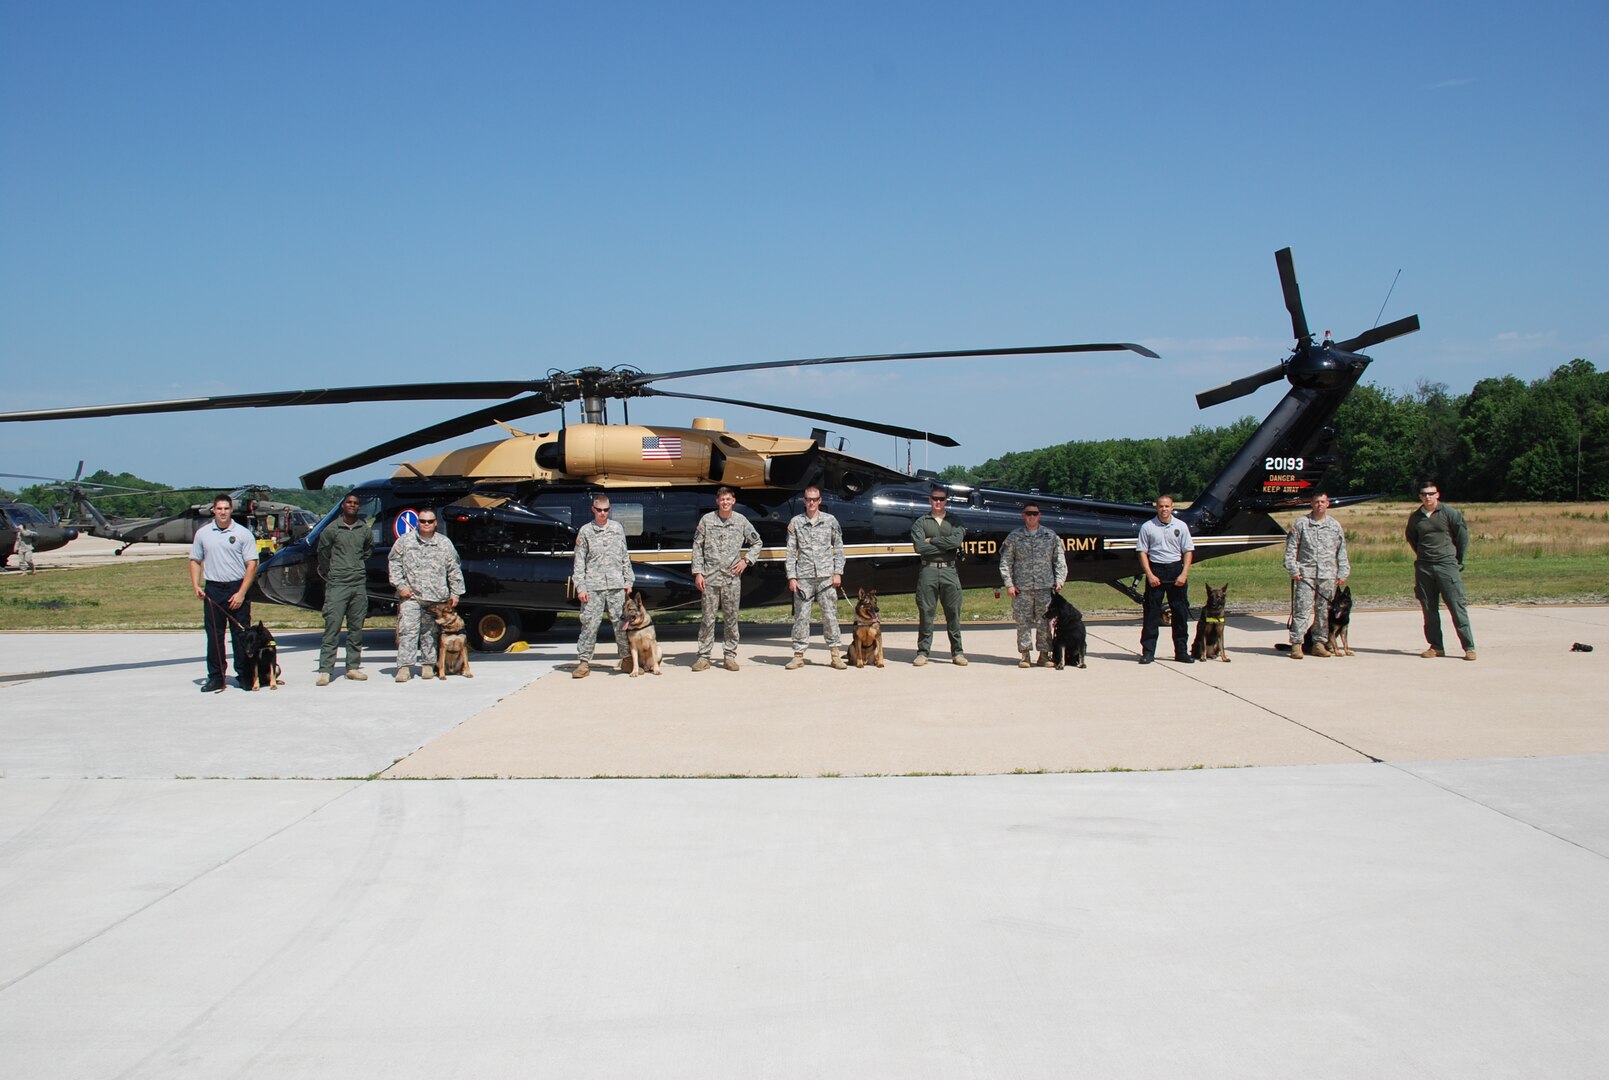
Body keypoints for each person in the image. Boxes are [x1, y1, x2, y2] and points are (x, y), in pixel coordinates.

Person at [188, 493, 259, 693]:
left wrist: (242, 593)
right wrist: (196, 585)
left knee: (241, 635)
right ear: (213, 510)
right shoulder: (203, 534)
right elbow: (195, 560)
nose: (223, 512)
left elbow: (252, 564)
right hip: (214, 589)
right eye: (219, 508)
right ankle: (217, 677)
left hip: (237, 587)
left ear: (231, 510)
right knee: (215, 636)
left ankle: (244, 674)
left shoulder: (243, 533)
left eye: (226, 508)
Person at [388, 509, 466, 682]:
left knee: (430, 633)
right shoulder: (405, 542)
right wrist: (401, 586)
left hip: (436, 597)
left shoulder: (444, 543)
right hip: (411, 596)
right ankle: (404, 667)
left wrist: (456, 593)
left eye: (430, 521)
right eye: (423, 521)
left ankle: (428, 665)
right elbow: (394, 563)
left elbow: (454, 568)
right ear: (418, 522)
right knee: (408, 631)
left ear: (435, 523)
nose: (426, 524)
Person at [690, 487, 762, 672]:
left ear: (733, 501)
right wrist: (698, 572)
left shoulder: (740, 521)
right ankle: (704, 657)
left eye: (728, 499)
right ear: (717, 501)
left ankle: (729, 656)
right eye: (722, 499)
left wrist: (746, 561)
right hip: (710, 578)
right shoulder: (707, 520)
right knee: (707, 619)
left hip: (731, 578)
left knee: (731, 619)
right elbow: (697, 546)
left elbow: (757, 542)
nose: (725, 502)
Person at [1406, 481, 1476, 660]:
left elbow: (1462, 537)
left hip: (1446, 566)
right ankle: (1436, 646)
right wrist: (1423, 556)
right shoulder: (1416, 517)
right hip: (1424, 567)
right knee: (1429, 609)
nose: (1428, 497)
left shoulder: (1449, 513)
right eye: (1424, 494)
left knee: (1456, 606)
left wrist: (1457, 559)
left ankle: (1469, 647)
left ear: (1438, 494)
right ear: (1420, 496)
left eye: (1431, 493)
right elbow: (1413, 539)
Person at [572, 494, 635, 679]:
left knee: (621, 624)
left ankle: (626, 658)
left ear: (610, 509)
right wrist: (580, 587)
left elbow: (625, 556)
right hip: (593, 586)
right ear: (593, 509)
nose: (602, 513)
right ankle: (584, 662)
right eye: (599, 510)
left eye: (606, 510)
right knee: (590, 624)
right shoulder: (585, 531)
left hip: (616, 585)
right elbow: (579, 562)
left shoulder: (617, 529)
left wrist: (628, 581)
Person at [784, 485, 847, 670]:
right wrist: (792, 577)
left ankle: (835, 655)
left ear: (820, 500)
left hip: (826, 577)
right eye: (808, 499)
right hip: (804, 577)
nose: (811, 502)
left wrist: (838, 572)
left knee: (830, 616)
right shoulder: (796, 522)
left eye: (815, 499)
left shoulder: (830, 521)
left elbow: (839, 548)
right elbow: (790, 553)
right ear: (804, 500)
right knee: (802, 617)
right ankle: (798, 655)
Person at [1000, 501, 1068, 668]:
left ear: (1039, 515)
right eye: (1028, 513)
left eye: (1034, 514)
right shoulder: (1014, 537)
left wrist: (1060, 580)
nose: (1031, 517)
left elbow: (1059, 560)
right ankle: (1025, 655)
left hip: (1045, 587)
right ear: (1023, 515)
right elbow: (1005, 562)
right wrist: (1009, 584)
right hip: (1021, 589)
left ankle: (1044, 655)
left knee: (1044, 622)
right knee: (1022, 621)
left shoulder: (1050, 536)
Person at [315, 493, 375, 685]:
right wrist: (333, 572)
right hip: (337, 584)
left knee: (356, 628)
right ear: (343, 506)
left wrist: (355, 566)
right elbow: (323, 554)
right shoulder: (332, 529)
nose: (352, 505)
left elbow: (368, 550)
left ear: (359, 507)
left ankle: (353, 667)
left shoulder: (364, 530)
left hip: (358, 583)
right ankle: (325, 669)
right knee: (332, 626)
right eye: (349, 502)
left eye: (356, 503)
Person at [1283, 491, 1351, 659]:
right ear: (1311, 504)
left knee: (1324, 612)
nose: (1319, 504)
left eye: (1323, 501)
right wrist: (1293, 569)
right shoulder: (1302, 524)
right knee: (1302, 610)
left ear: (1328, 504)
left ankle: (1319, 643)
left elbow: (1341, 551)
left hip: (1328, 575)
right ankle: (1297, 644)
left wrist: (1343, 571)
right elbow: (1291, 549)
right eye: (1316, 502)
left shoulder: (1335, 526)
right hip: (1305, 575)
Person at [911, 486, 967, 666]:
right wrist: (946, 545)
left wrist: (932, 540)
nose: (938, 502)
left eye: (941, 499)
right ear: (929, 499)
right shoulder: (921, 522)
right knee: (926, 612)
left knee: (953, 613)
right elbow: (920, 547)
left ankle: (957, 652)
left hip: (949, 570)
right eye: (935, 498)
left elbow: (956, 541)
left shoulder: (955, 520)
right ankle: (923, 652)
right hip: (928, 570)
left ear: (946, 501)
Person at [1136, 494, 1193, 664]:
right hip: (1156, 570)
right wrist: (1150, 574)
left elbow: (1188, 551)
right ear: (1156, 508)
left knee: (1180, 613)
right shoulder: (1148, 527)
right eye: (1161, 506)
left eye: (1167, 506)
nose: (1164, 509)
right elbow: (1142, 552)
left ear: (1172, 507)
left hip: (1175, 569)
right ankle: (1148, 652)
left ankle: (1181, 652)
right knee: (1151, 614)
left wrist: (1184, 574)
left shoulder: (1181, 526)